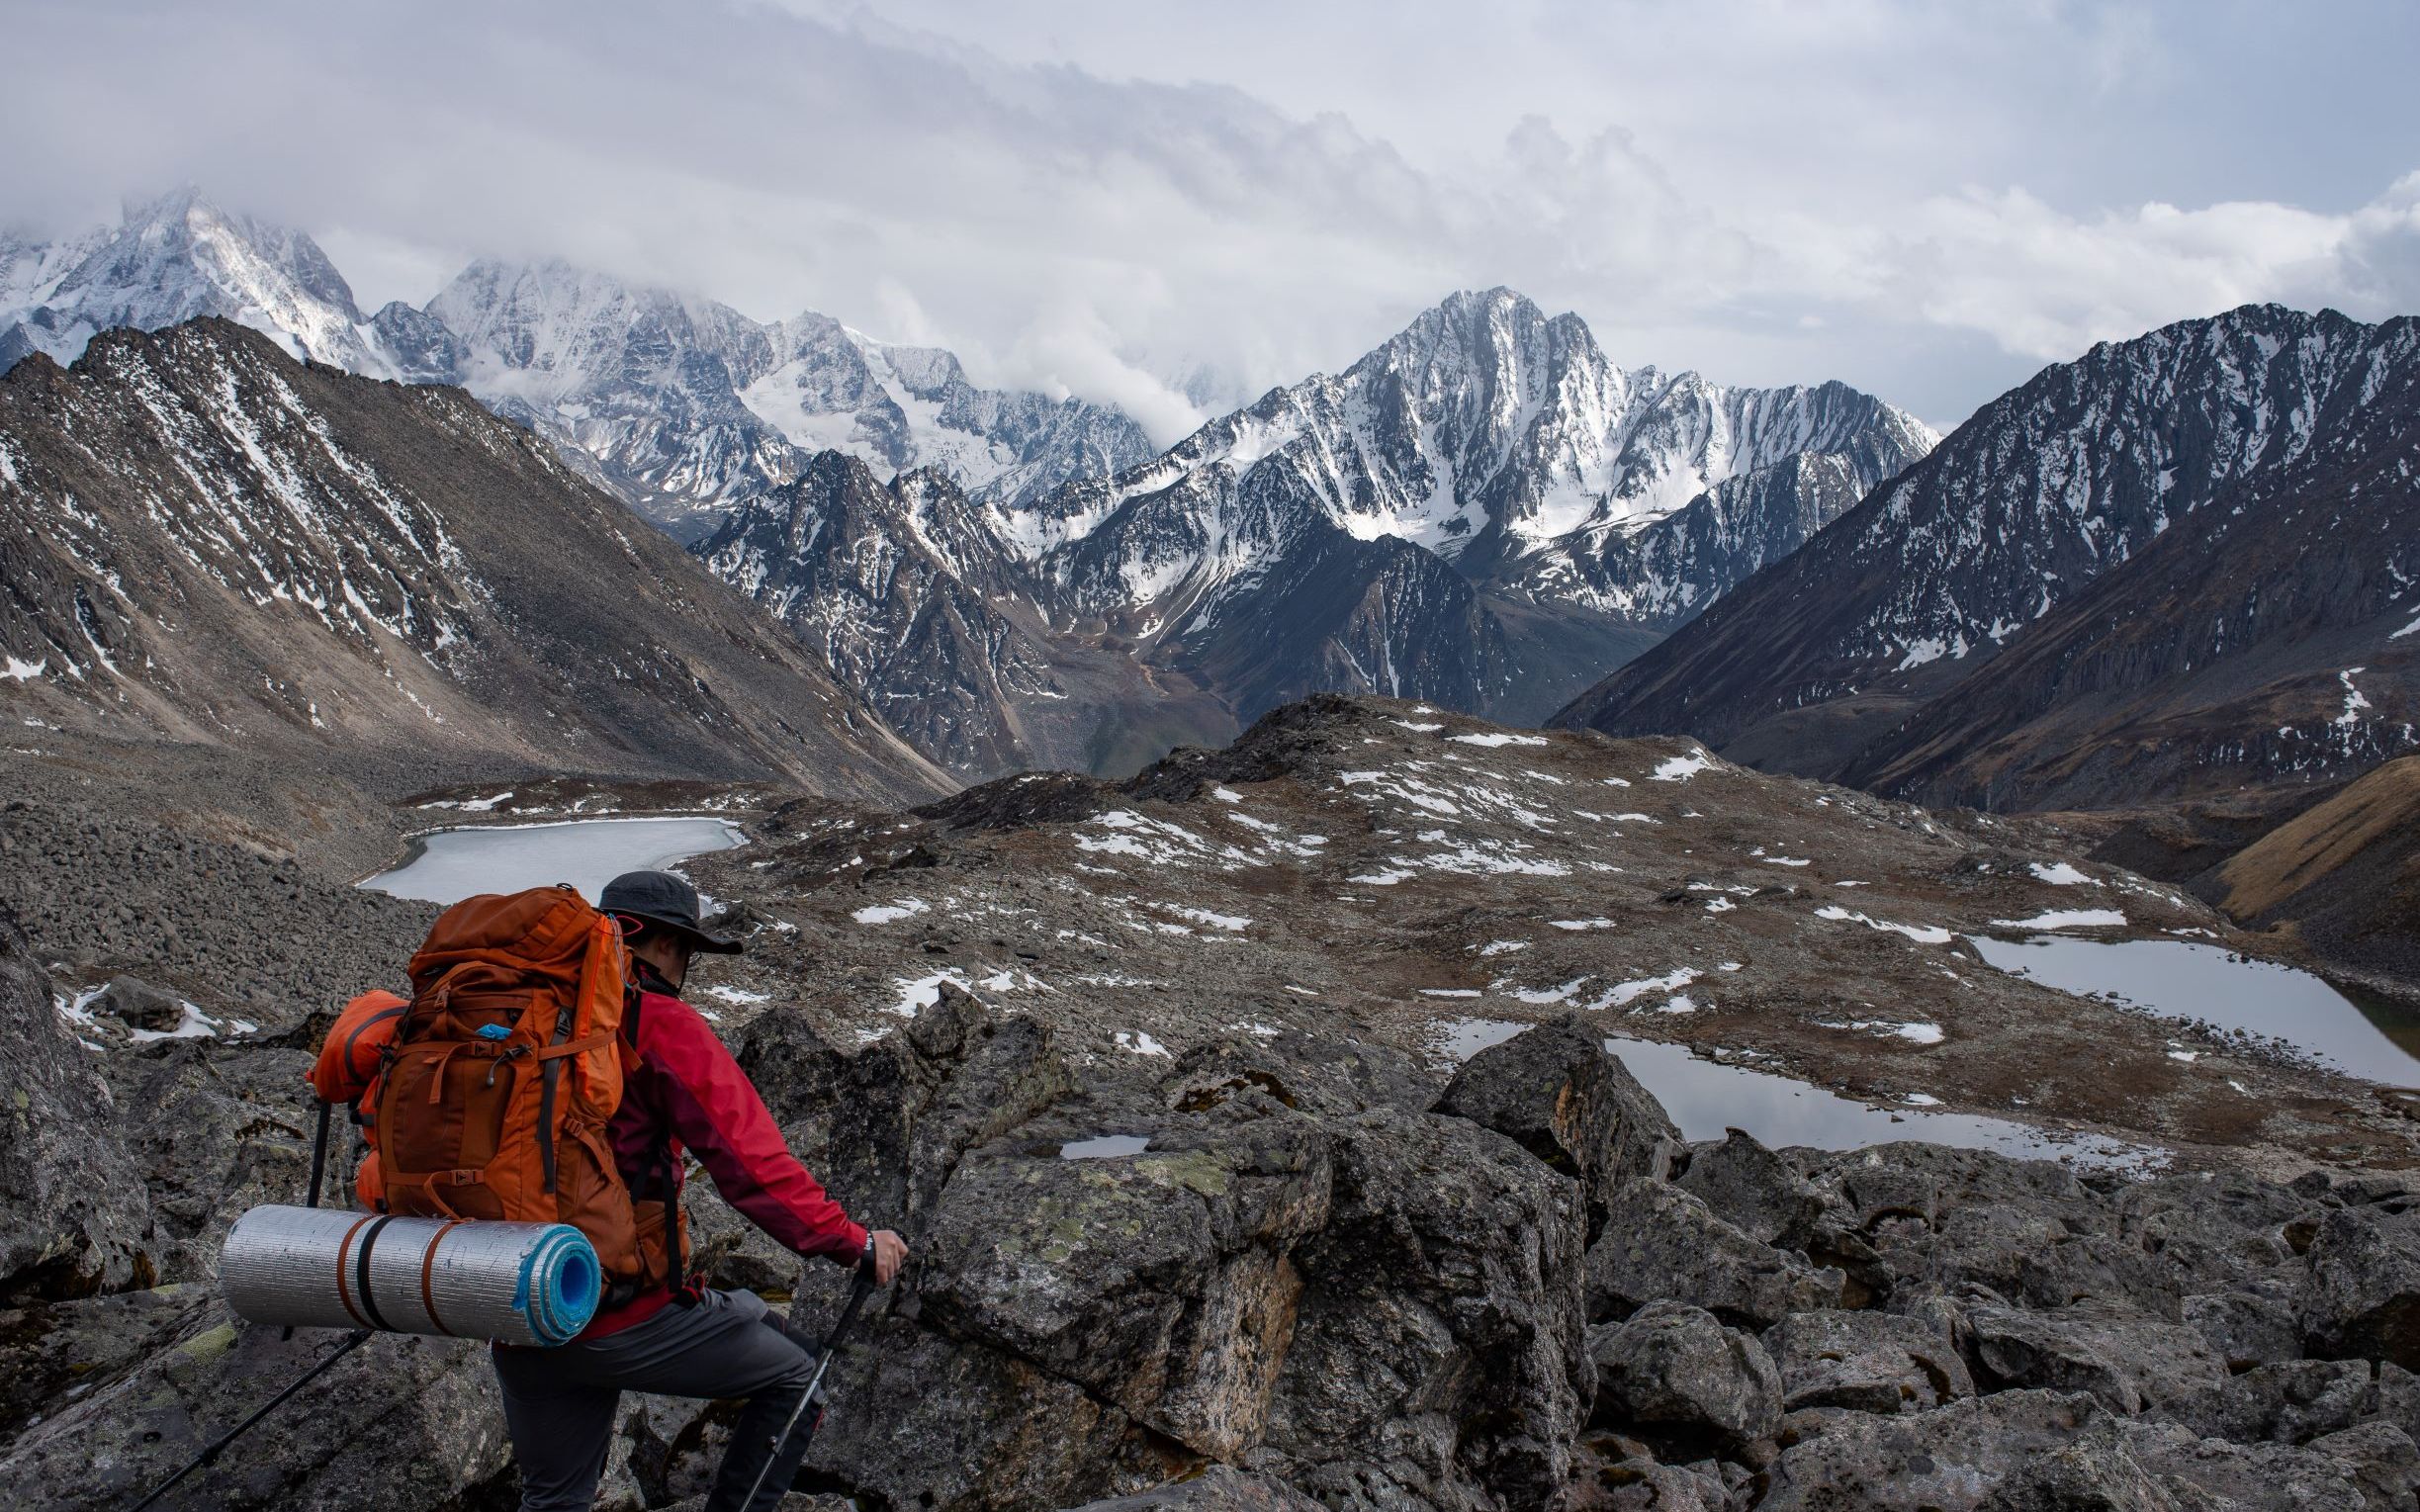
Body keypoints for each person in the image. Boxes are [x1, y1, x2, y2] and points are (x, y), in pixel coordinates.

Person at [490, 869, 909, 1512]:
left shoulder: (528, 1018)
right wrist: (853, 1242)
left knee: (554, 1499)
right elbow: (751, 1165)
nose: (688, 964)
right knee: (798, 1375)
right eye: (686, 949)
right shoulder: (657, 1022)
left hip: (513, 1304)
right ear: (665, 944)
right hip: (614, 1312)